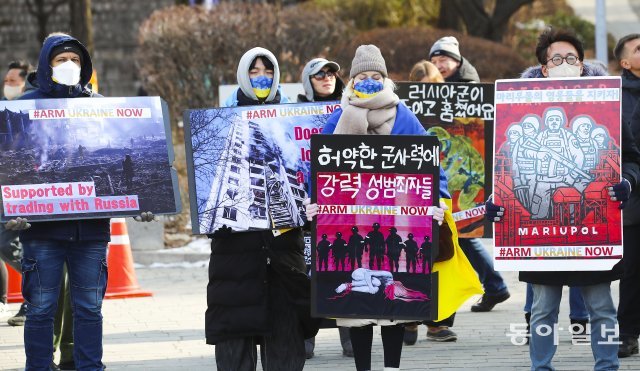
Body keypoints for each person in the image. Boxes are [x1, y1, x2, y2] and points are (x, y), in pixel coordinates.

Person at [488, 27, 640, 370]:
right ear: (544, 67)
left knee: (601, 305)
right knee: (543, 308)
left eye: (572, 58)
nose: (564, 63)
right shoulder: (520, 108)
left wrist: (627, 182)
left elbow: (629, 157)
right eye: (556, 58)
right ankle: (541, 366)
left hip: (588, 228)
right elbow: (505, 166)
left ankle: (607, 365)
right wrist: (498, 201)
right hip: (543, 230)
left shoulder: (605, 105)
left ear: (583, 64)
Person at [5, 32, 155, 371]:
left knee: (89, 308)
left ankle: (90, 367)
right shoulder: (24, 108)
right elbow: (10, 165)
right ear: (47, 65)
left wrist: (144, 202)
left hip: (89, 232)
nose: (69, 65)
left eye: (75, 60)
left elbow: (118, 160)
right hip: (41, 232)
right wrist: (7, 212)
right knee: (41, 308)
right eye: (61, 60)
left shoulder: (99, 106)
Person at [304, 44, 452, 371]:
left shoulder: (403, 116)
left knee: (393, 305)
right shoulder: (338, 118)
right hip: (351, 220)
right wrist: (313, 201)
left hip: (398, 222)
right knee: (357, 311)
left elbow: (431, 163)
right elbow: (320, 168)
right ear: (352, 80)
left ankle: (392, 367)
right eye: (361, 76)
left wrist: (437, 199)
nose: (369, 81)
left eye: (375, 76)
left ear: (385, 80)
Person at [206, 47, 315, 371]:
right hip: (235, 258)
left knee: (285, 341)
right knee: (235, 342)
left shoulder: (294, 120)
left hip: (283, 254)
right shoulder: (220, 122)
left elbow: (307, 174)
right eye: (253, 71)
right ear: (242, 75)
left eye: (267, 71)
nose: (261, 77)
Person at [298, 57, 353, 360]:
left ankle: (349, 333)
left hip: (343, 199)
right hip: (310, 202)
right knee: (308, 272)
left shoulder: (351, 109)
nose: (327, 78)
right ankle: (306, 335)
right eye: (319, 74)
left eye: (331, 72)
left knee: (344, 265)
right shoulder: (292, 111)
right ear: (308, 80)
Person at [613, 33, 640, 358]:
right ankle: (628, 332)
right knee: (632, 270)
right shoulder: (614, 96)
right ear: (625, 62)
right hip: (633, 194)